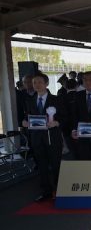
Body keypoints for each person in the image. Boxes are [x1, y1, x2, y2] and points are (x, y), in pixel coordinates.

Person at [22, 72, 65, 201]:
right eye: (34, 82)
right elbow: (27, 117)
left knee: (56, 165)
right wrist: (24, 123)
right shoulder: (29, 100)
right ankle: (46, 191)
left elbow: (65, 117)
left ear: (46, 83)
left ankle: (59, 191)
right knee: (42, 166)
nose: (37, 85)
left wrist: (57, 122)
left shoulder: (57, 100)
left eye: (40, 82)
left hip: (53, 138)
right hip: (36, 139)